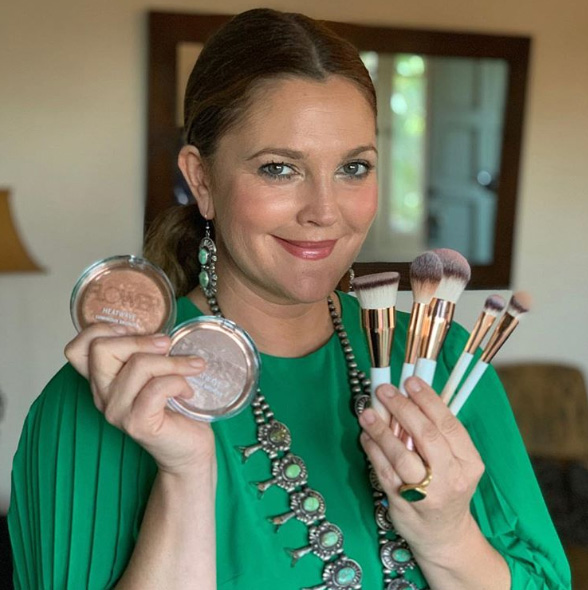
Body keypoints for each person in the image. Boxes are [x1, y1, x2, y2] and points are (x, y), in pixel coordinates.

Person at [8, 8, 570, 590]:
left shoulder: (443, 360)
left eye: (354, 167)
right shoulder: (107, 396)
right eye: (279, 168)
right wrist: (186, 476)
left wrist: (448, 538)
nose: (325, 211)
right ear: (201, 180)